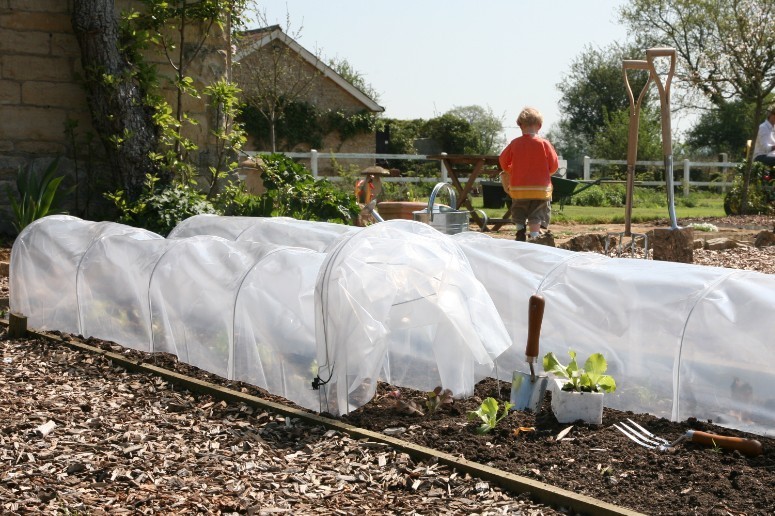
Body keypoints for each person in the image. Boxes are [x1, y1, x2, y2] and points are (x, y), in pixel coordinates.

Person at [498, 107, 559, 242]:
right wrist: (546, 172)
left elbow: (502, 160)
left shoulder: (515, 143)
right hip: (540, 189)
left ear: (520, 126)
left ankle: (520, 230)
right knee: (537, 213)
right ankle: (535, 236)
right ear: (540, 126)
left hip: (519, 188)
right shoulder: (544, 144)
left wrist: (510, 170)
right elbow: (554, 164)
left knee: (518, 208)